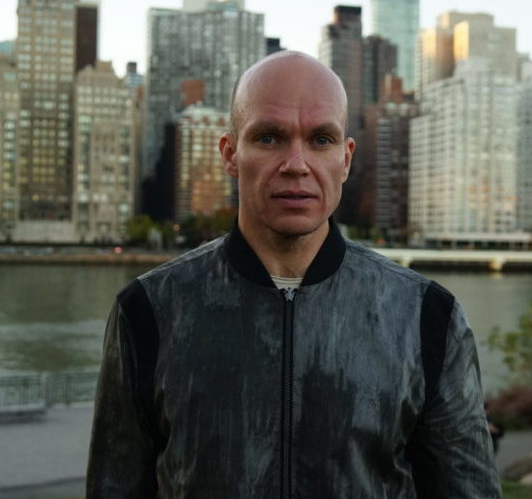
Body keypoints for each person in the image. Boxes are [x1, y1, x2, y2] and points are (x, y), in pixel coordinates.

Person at [86, 51, 501, 498]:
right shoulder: (149, 310)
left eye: (321, 139)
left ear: (345, 158)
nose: (296, 164)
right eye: (269, 138)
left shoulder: (427, 316)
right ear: (230, 153)